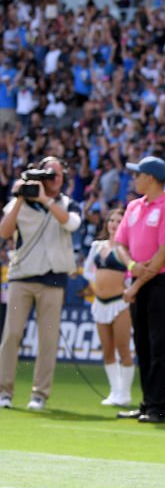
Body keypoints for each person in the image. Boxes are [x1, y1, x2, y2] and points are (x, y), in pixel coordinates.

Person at [0, 157, 81, 411]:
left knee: (47, 339)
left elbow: (72, 224)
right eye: (49, 173)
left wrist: (46, 200)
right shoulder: (19, 203)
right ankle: (4, 392)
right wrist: (21, 198)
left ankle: (40, 394)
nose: (54, 178)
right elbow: (4, 232)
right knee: (11, 334)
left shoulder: (68, 203)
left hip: (53, 279)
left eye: (57, 173)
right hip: (22, 277)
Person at [114, 156, 165, 425]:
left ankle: (158, 407)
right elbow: (120, 243)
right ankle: (147, 403)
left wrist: (135, 284)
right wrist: (132, 265)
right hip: (141, 284)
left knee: (160, 348)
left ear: (151, 178)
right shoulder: (133, 206)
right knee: (143, 347)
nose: (134, 179)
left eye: (138, 174)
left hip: (162, 285)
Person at [82, 208, 134, 407]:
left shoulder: (126, 248)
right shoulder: (97, 245)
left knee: (123, 348)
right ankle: (114, 392)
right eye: (111, 220)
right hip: (100, 303)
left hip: (119, 302)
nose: (113, 223)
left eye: (119, 220)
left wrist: (125, 288)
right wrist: (99, 282)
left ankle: (125, 393)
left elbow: (132, 273)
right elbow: (87, 270)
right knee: (107, 350)